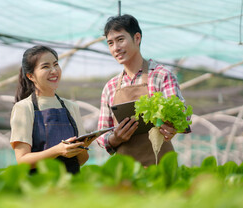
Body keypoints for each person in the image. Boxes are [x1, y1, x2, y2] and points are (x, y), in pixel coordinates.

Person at [96, 14, 191, 166]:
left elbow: (183, 117)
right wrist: (115, 138)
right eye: (110, 43)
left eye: (120, 40)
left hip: (160, 167)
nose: (116, 48)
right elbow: (102, 134)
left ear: (137, 38)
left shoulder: (161, 76)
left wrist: (172, 126)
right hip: (125, 172)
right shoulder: (110, 87)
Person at [10, 45, 91, 174]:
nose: (54, 71)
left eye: (56, 64)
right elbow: (22, 161)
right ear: (30, 76)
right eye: (45, 66)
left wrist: (80, 148)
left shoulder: (71, 107)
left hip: (72, 186)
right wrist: (57, 151)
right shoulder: (24, 108)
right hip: (40, 187)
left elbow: (82, 159)